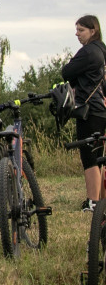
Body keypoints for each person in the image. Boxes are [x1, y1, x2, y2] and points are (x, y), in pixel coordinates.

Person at [61, 14, 106, 212]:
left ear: (93, 30)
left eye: (81, 30)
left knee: (89, 158)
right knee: (101, 158)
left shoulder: (88, 52)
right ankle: (101, 201)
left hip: (90, 111)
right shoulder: (103, 51)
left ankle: (93, 202)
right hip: (102, 110)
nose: (77, 34)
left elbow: (66, 72)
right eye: (76, 30)